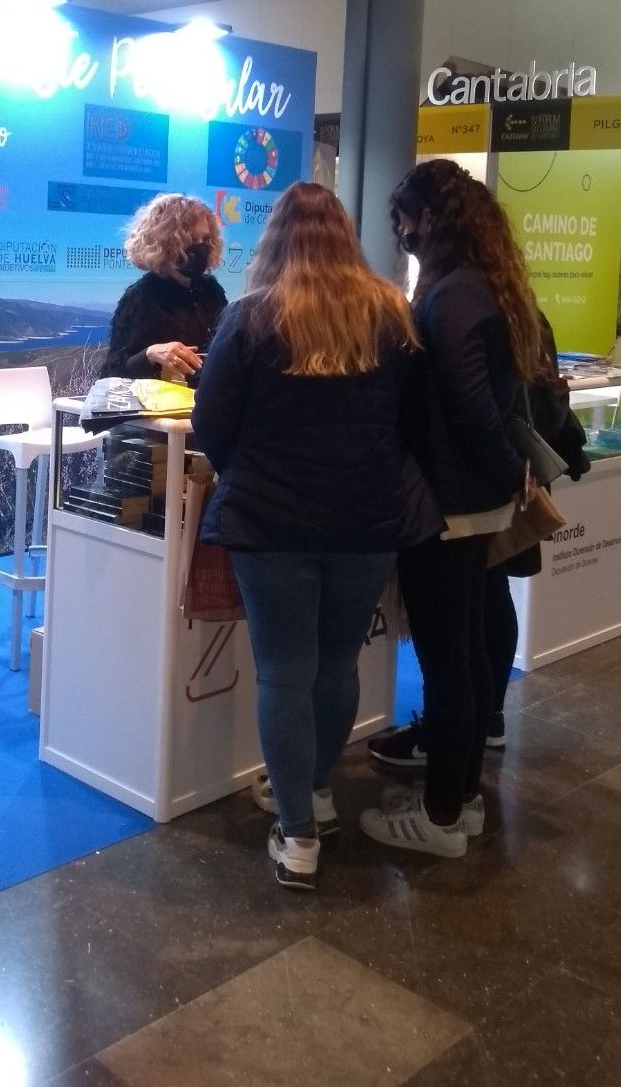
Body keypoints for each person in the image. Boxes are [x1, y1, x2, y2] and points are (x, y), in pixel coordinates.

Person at [192, 182, 441, 890]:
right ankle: (321, 793)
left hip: (269, 525)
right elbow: (411, 422)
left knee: (282, 671)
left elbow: (211, 430)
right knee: (336, 667)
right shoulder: (392, 315)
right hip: (366, 521)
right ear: (346, 235)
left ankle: (297, 832)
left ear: (275, 239)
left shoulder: (250, 319)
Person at [359, 159, 541, 859]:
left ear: (430, 218)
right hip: (475, 500)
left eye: (405, 217)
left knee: (448, 661)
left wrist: (504, 472)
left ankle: (438, 817)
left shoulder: (455, 294)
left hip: (454, 504)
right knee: (460, 653)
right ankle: (458, 800)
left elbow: (465, 401)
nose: (400, 229)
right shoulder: (482, 284)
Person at [369, 311, 590, 770]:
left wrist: (508, 474)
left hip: (472, 484)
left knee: (459, 638)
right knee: (482, 610)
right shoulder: (511, 302)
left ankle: (449, 785)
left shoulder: (459, 305)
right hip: (497, 477)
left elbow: (469, 407)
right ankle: (477, 739)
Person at [102, 194, 226, 384]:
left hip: (206, 404)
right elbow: (111, 374)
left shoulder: (212, 291)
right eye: (192, 239)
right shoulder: (141, 297)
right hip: (157, 409)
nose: (201, 247)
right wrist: (150, 354)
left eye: (206, 239)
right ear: (166, 242)